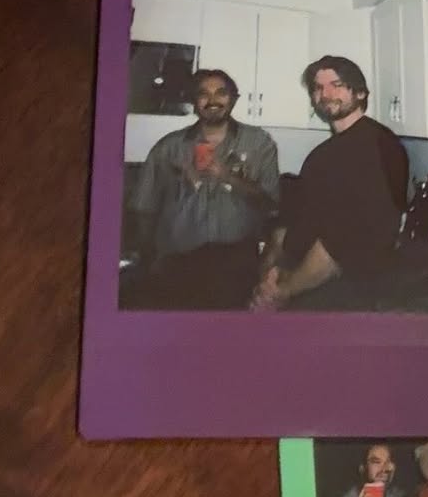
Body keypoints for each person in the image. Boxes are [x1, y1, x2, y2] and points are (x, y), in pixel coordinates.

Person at [254, 56, 409, 307]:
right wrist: (273, 273)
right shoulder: (324, 153)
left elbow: (343, 239)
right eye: (318, 87)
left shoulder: (378, 146)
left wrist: (286, 289)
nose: (325, 94)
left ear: (360, 93)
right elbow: (302, 216)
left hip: (342, 290)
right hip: (305, 278)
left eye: (336, 85)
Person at [128, 68, 279, 309]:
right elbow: (145, 207)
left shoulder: (259, 143)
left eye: (221, 93)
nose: (212, 100)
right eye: (203, 94)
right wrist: (148, 257)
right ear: (194, 100)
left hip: (236, 266)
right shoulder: (169, 147)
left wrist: (227, 176)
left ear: (234, 99)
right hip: (177, 264)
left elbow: (270, 204)